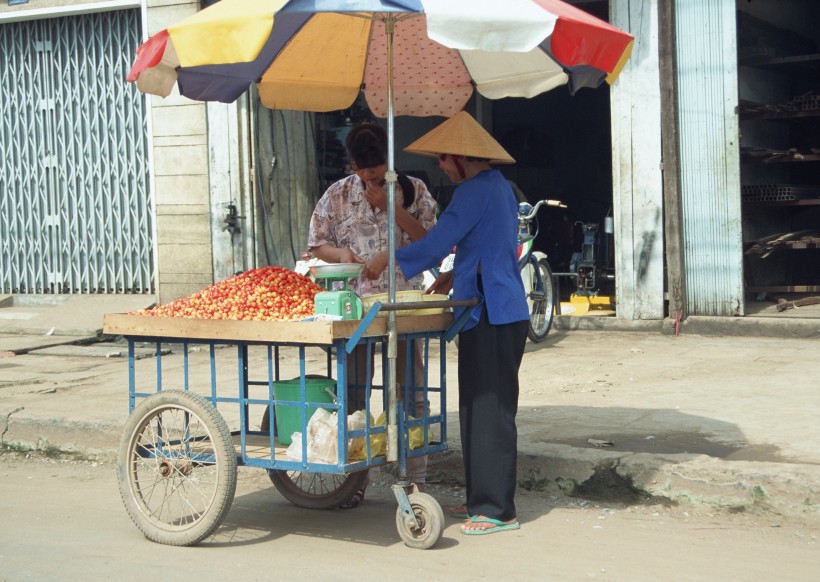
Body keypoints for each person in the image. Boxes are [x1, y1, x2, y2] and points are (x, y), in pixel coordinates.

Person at [363, 111, 529, 535]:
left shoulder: (475, 191)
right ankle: (481, 500)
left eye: (442, 158)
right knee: (475, 407)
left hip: (493, 311)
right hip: (489, 308)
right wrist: (455, 274)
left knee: (490, 410)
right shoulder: (499, 189)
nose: (440, 165)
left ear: (460, 157)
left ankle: (497, 510)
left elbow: (438, 240)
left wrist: (387, 259)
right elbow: (490, 244)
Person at [307, 122, 437, 508]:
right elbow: (317, 244)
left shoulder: (415, 190)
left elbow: (430, 242)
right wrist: (342, 256)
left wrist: (391, 209)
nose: (371, 180)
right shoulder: (338, 195)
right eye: (365, 175)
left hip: (404, 307)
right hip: (356, 308)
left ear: (389, 161)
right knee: (356, 396)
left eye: (379, 173)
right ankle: (355, 481)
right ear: (351, 165)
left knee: (410, 394)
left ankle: (416, 483)